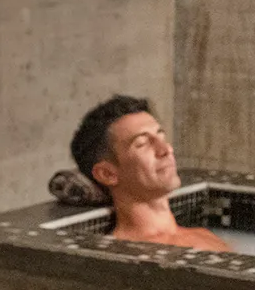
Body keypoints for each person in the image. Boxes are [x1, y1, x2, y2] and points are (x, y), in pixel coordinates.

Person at [68, 95, 231, 251]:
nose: (166, 149)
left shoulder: (205, 236)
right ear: (107, 174)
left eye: (161, 137)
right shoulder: (124, 256)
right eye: (142, 143)